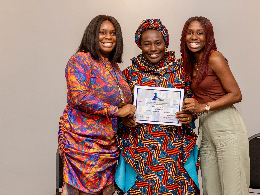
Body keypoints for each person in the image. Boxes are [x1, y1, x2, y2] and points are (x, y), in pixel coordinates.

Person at [115, 19, 200, 195]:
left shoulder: (181, 70)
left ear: (165, 43)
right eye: (147, 44)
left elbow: (193, 100)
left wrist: (190, 115)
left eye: (158, 43)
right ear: (140, 45)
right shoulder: (128, 73)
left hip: (173, 147)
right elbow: (119, 105)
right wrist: (124, 117)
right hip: (141, 148)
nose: (153, 49)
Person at [58, 15, 136, 195]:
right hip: (83, 143)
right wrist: (117, 111)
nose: (108, 37)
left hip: (108, 145)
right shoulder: (81, 60)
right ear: (92, 35)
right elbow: (79, 96)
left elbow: (120, 101)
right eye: (103, 32)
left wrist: (124, 117)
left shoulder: (113, 66)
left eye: (112, 33)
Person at [180, 16, 250, 195]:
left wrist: (203, 107)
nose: (194, 37)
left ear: (208, 36)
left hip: (226, 124)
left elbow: (236, 94)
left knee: (233, 188)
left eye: (199, 33)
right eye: (190, 33)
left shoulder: (214, 57)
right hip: (206, 128)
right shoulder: (191, 63)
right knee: (211, 189)